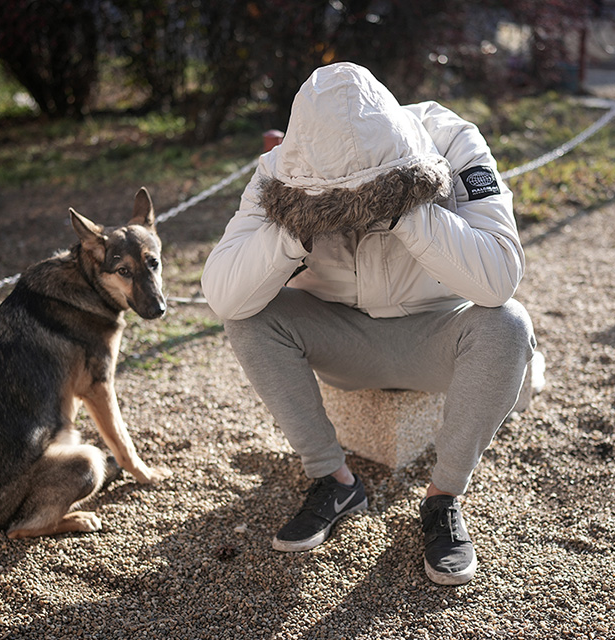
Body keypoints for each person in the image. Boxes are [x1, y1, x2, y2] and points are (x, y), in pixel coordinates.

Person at [201, 62, 536, 586]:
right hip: (341, 341)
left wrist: (402, 205)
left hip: (439, 337)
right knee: (246, 318)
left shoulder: (452, 139)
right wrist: (297, 228)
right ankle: (333, 479)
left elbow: (498, 280)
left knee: (509, 323)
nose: (351, 205)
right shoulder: (284, 170)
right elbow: (222, 294)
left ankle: (444, 496)